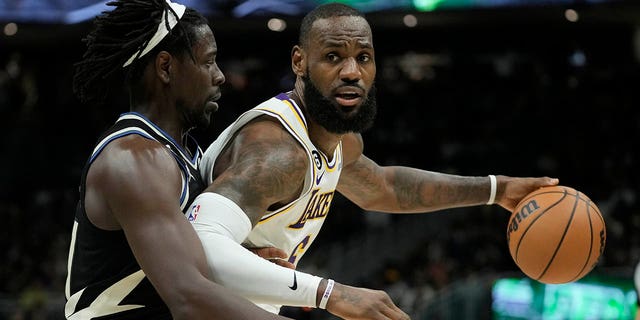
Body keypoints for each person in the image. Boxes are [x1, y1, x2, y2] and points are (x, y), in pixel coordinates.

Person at [187, 2, 559, 319]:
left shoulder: (336, 140)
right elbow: (198, 240)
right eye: (333, 57)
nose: (352, 72)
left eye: (362, 57)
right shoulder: (278, 152)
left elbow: (383, 186)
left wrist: (498, 189)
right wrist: (333, 294)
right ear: (299, 62)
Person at [64, 0, 293, 319]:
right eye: (209, 62)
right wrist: (329, 295)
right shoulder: (132, 158)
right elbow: (189, 297)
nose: (220, 76)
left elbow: (182, 264)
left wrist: (240, 264)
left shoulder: (185, 155)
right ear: (166, 67)